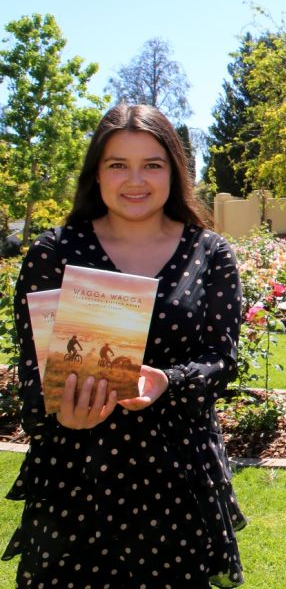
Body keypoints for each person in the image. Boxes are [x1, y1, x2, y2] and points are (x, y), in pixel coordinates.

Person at [4, 104, 245, 587]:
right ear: (97, 173)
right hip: (76, 473)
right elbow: (33, 368)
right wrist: (58, 411)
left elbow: (222, 360)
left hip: (177, 475)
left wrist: (169, 382)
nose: (135, 180)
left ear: (174, 174)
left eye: (152, 164)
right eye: (118, 164)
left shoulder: (209, 253)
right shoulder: (55, 253)